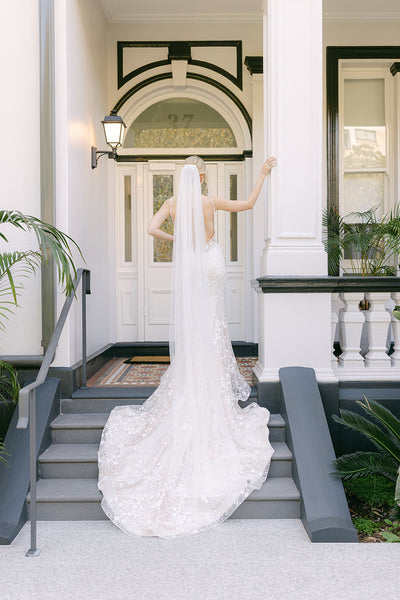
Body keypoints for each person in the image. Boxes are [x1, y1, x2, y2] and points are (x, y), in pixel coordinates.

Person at [97, 155, 277, 538]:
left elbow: (149, 229)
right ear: (201, 176)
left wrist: (177, 239)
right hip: (210, 263)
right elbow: (247, 204)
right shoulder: (209, 202)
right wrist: (261, 173)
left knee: (197, 327)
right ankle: (210, 389)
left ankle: (194, 383)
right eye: (205, 172)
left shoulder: (172, 205)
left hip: (191, 264)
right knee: (213, 325)